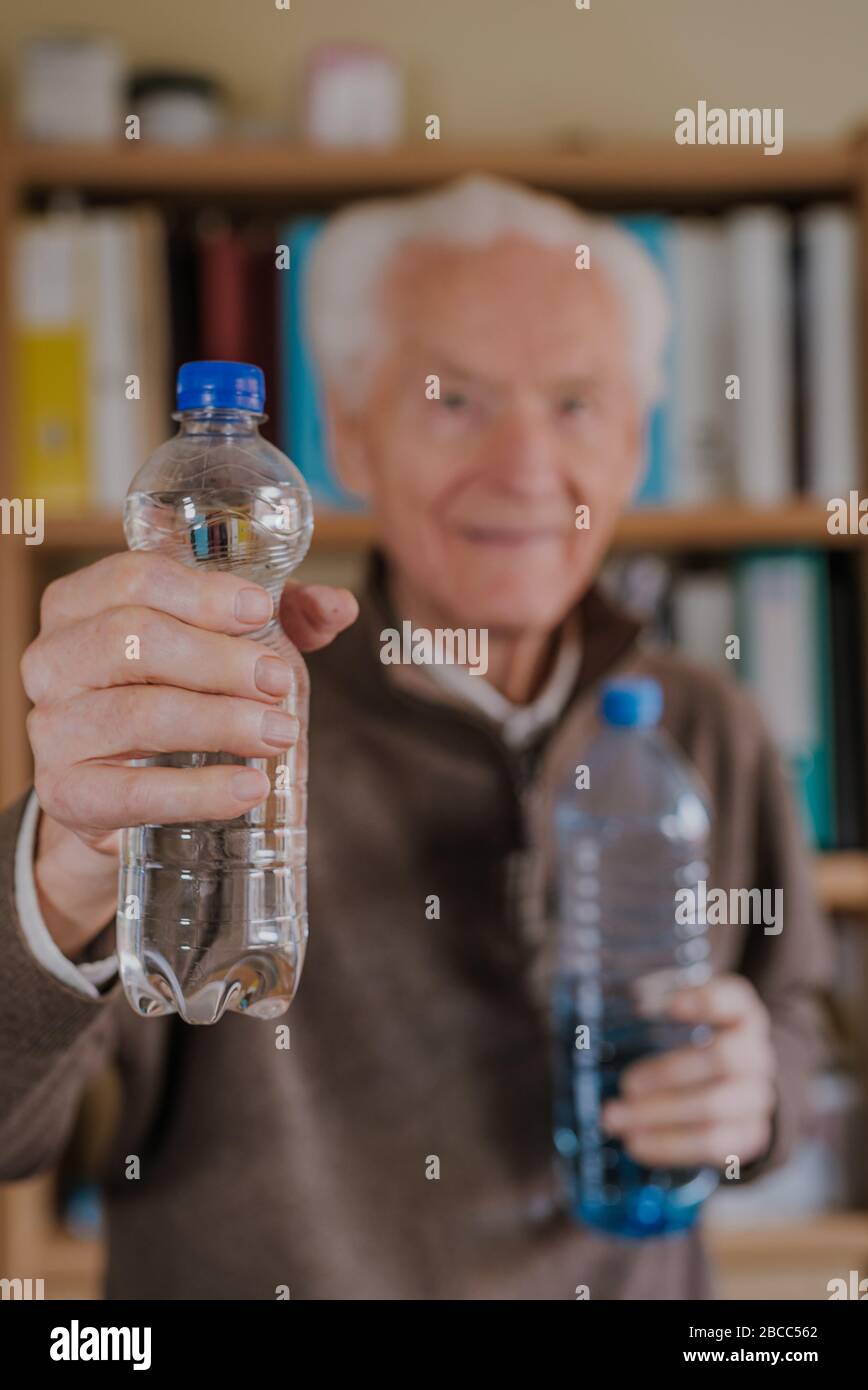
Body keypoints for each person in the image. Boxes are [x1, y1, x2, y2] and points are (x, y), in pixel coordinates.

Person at [0, 176, 831, 1299]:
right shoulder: (214, 715)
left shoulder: (708, 727)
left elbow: (791, 1018)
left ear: (637, 442)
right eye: (456, 401)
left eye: (577, 404)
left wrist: (758, 1093)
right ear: (346, 433)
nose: (527, 467)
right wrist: (61, 873)